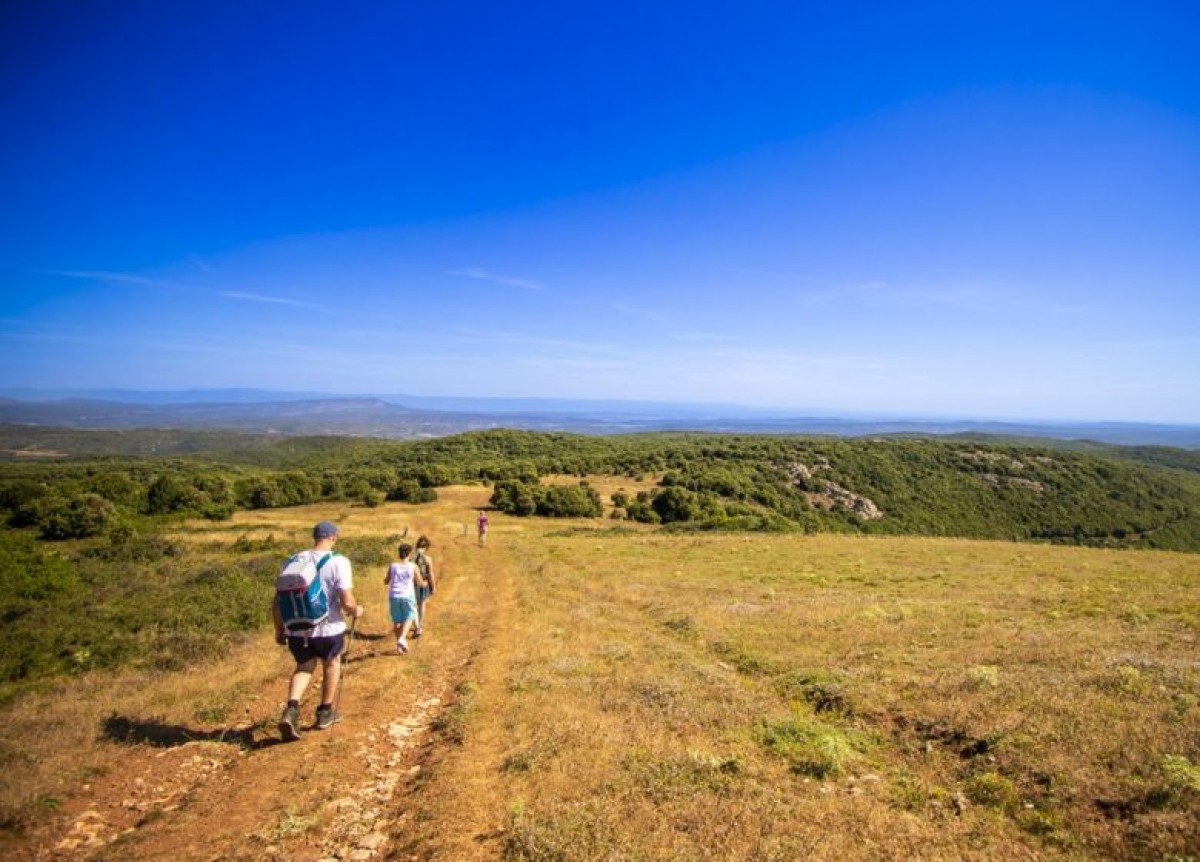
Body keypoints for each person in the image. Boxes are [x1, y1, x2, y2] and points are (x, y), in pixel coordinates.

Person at [273, 520, 364, 741]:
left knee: (304, 667)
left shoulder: (293, 560)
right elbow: (346, 600)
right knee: (331, 664)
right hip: (328, 627)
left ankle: (292, 709)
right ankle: (325, 712)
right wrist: (356, 610)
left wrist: (279, 629)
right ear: (333, 537)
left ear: (315, 537)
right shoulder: (338, 561)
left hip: (297, 629)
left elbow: (277, 601)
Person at [384, 542, 425, 654]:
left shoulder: (393, 566)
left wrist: (389, 579)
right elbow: (419, 582)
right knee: (410, 616)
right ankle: (402, 638)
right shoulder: (413, 566)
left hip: (394, 596)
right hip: (407, 595)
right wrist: (424, 584)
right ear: (409, 554)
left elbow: (386, 581)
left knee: (397, 621)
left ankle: (399, 646)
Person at [412, 535, 436, 637]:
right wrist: (433, 586)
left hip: (412, 584)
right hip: (423, 583)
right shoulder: (428, 559)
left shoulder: (411, 558)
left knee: (413, 606)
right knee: (422, 605)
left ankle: (416, 626)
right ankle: (419, 625)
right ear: (426, 547)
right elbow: (430, 574)